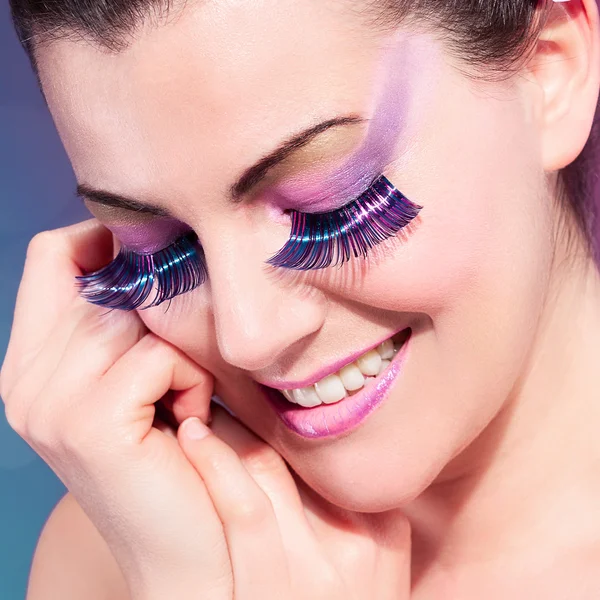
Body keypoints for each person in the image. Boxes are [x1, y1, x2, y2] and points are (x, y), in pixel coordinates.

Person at [1, 0, 600, 597]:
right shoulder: (128, 560)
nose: (247, 336)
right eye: (162, 250)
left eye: (327, 206)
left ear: (549, 65)